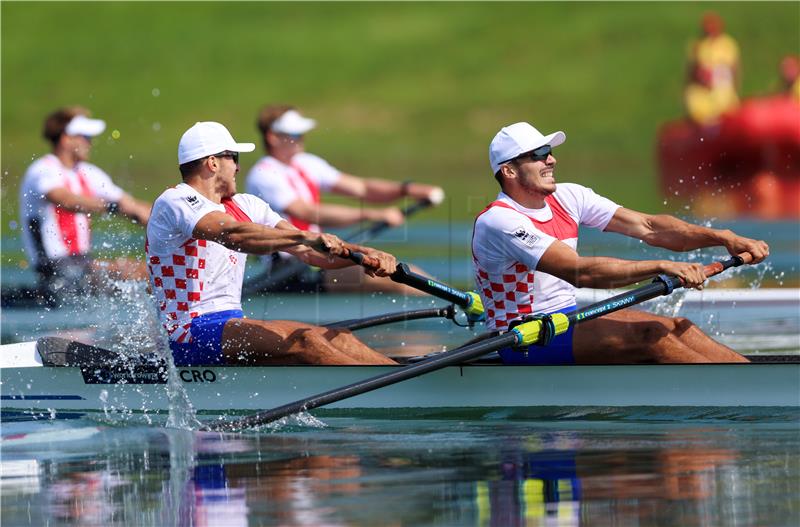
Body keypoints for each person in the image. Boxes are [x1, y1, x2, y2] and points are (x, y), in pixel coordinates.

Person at [472, 122, 769, 365]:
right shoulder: (499, 221)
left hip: (564, 319)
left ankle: (758, 385)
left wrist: (723, 238)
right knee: (652, 334)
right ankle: (741, 397)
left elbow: (650, 227)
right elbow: (579, 272)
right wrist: (663, 266)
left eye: (548, 151)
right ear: (509, 170)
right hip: (523, 339)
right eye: (538, 154)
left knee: (679, 326)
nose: (551, 159)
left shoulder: (569, 196)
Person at [146, 121, 397, 366]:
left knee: (340, 337)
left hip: (228, 324)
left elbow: (314, 255)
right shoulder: (175, 201)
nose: (238, 168)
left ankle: (398, 379)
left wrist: (366, 255)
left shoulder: (247, 205)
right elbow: (234, 235)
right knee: (307, 340)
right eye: (234, 158)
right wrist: (304, 236)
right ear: (212, 163)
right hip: (186, 333)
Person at [245, 105, 444, 294]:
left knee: (403, 272)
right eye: (295, 135)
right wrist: (373, 214)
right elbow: (307, 212)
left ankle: (457, 305)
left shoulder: (307, 163)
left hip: (319, 257)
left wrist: (407, 189)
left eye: (302, 134)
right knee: (394, 277)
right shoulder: (263, 173)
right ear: (272, 137)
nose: (301, 139)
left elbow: (362, 188)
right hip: (290, 268)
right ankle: (456, 311)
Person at [17, 106, 151, 304]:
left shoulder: (88, 172)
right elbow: (66, 200)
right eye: (85, 137)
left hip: (83, 264)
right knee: (144, 272)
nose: (90, 142)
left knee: (154, 270)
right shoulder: (42, 170)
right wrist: (112, 208)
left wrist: (176, 219)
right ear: (66, 138)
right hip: (55, 270)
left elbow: (131, 205)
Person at [684, 12, 741, 126]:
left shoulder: (727, 44)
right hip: (702, 93)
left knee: (727, 109)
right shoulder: (697, 45)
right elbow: (691, 72)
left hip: (722, 90)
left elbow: (734, 70)